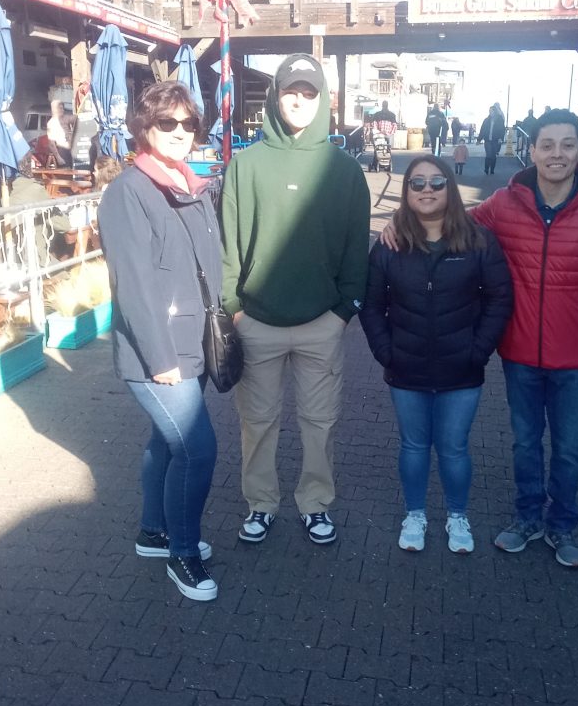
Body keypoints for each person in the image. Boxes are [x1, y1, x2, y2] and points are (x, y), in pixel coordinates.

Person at [383, 109, 578, 568]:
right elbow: (454, 218)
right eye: (547, 144)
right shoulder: (504, 203)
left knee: (569, 447)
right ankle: (526, 518)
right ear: (532, 149)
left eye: (566, 145)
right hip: (520, 353)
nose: (556, 154)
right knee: (524, 442)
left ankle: (561, 525)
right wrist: (402, 224)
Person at [220, 53, 371, 546]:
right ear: (276, 95)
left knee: (319, 422)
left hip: (321, 322)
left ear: (322, 98)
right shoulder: (245, 165)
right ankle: (260, 503)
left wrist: (345, 311)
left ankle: (315, 503)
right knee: (256, 422)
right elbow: (230, 243)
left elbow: (356, 247)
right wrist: (233, 309)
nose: (299, 101)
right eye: (291, 91)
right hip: (256, 320)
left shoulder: (345, 171)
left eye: (309, 92)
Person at [97, 83, 220, 603]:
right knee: (197, 449)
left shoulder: (187, 183)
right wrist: (161, 357)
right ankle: (182, 555)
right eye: (166, 123)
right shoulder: (130, 191)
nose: (178, 133)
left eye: (187, 124)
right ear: (145, 128)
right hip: (160, 349)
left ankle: (154, 531)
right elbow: (135, 283)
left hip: (191, 337)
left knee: (164, 444)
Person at [361, 156, 512, 554]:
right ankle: (415, 514)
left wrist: (478, 351)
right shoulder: (390, 245)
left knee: (454, 447)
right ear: (406, 192)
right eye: (417, 183)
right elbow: (372, 305)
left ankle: (457, 515)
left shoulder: (479, 240)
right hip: (405, 366)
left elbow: (500, 300)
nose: (427, 190)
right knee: (413, 445)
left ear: (450, 188)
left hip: (461, 368)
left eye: (436, 182)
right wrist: (384, 351)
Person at [478, 105, 506, 175]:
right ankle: (486, 169)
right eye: (489, 111)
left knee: (493, 155)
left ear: (495, 111)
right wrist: (479, 139)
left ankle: (492, 169)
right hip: (487, 140)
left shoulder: (500, 120)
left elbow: (502, 130)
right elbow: (482, 130)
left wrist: (501, 138)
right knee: (488, 155)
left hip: (495, 140)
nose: (490, 112)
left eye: (492, 111)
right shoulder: (486, 120)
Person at [46, 101, 75, 168]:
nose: (62, 110)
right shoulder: (51, 123)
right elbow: (51, 143)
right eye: (60, 108)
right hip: (62, 151)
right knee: (66, 172)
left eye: (62, 108)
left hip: (72, 150)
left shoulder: (65, 119)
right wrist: (58, 158)